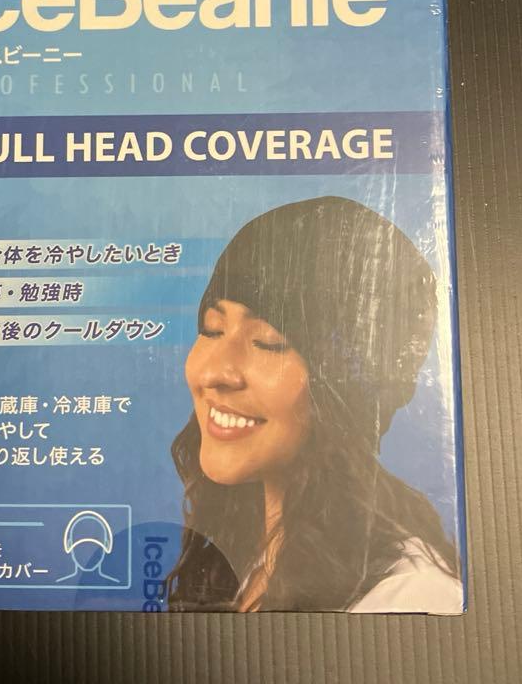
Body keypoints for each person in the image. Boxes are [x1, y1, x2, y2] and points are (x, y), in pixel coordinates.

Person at [166, 196, 463, 613]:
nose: (215, 371)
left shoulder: (411, 596)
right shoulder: (253, 556)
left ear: (346, 384)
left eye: (267, 342)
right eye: (212, 330)